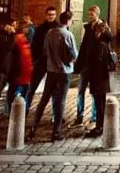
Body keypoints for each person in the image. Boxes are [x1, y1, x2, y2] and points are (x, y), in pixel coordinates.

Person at [29, 10, 78, 142]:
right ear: (68, 21)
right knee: (60, 101)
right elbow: (74, 54)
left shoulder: (50, 33)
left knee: (44, 100)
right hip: (64, 72)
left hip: (51, 70)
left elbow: (44, 51)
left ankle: (33, 129)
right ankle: (56, 132)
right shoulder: (68, 34)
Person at [83, 19, 114, 138]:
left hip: (98, 80)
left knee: (99, 104)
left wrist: (92, 80)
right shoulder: (104, 44)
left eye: (96, 31)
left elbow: (97, 64)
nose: (94, 34)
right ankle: (101, 126)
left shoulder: (100, 45)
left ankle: (99, 127)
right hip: (102, 80)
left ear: (100, 32)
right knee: (100, 104)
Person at [74, 5, 101, 127]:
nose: (90, 16)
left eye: (92, 14)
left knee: (94, 92)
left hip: (95, 67)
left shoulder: (101, 27)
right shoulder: (87, 28)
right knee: (80, 91)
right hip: (85, 65)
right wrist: (79, 64)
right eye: (89, 14)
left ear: (97, 14)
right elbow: (84, 47)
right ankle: (79, 116)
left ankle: (94, 117)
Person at [28, 6, 59, 107]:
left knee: (55, 91)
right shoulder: (40, 28)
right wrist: (35, 59)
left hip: (53, 63)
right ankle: (25, 110)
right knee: (32, 87)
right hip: (41, 61)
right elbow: (34, 45)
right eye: (49, 15)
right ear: (46, 15)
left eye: (53, 15)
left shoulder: (58, 28)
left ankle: (55, 115)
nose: (51, 17)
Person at [8, 19, 34, 110]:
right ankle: (12, 109)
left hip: (25, 71)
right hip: (19, 71)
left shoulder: (23, 38)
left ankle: (17, 108)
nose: (27, 29)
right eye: (26, 27)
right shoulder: (17, 39)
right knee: (15, 90)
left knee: (20, 90)